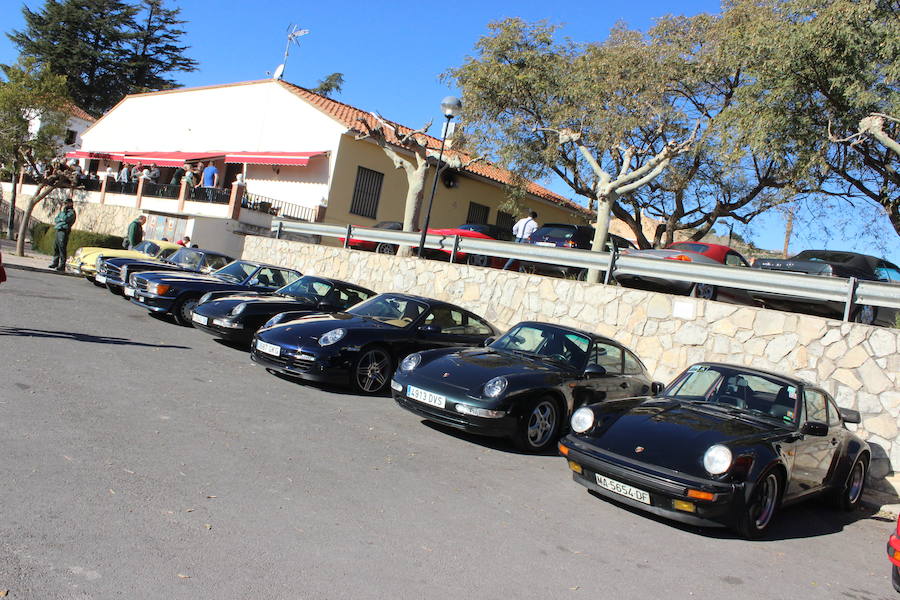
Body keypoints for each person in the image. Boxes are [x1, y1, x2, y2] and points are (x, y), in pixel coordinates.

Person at [48, 199, 76, 271]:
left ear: (71, 204)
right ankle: (55, 262)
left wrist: (62, 218)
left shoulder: (71, 212)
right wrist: (61, 219)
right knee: (56, 247)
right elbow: (56, 219)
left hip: (64, 231)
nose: (65, 205)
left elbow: (65, 219)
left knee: (62, 248)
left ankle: (62, 265)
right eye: (65, 203)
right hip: (58, 229)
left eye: (67, 203)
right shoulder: (63, 211)